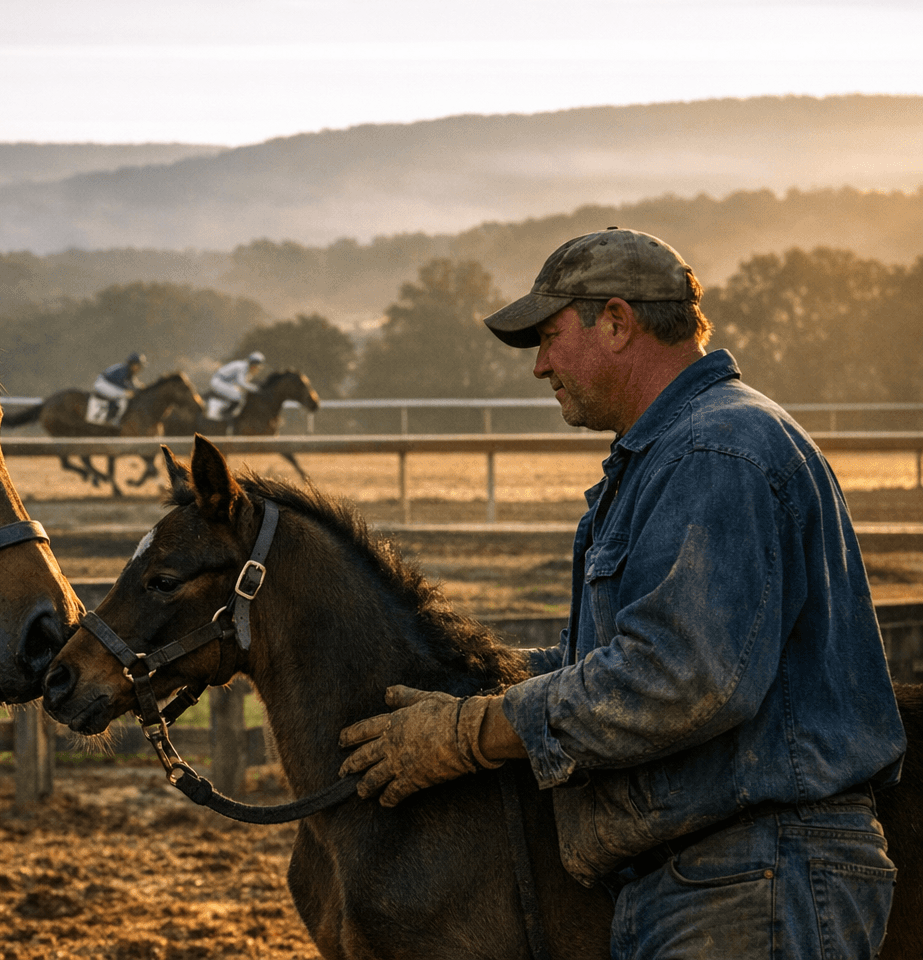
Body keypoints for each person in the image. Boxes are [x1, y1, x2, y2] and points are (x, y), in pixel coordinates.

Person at [338, 227, 905, 958]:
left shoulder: (713, 453)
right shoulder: (684, 451)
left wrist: (474, 733)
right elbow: (619, 658)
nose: (541, 366)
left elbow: (680, 677)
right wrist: (479, 683)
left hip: (753, 877)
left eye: (548, 336)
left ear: (614, 321)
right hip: (717, 880)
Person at [89, 352, 145, 424]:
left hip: (107, 383)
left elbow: (133, 383)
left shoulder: (128, 371)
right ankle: (114, 422)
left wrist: (139, 387)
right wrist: (136, 389)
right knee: (124, 399)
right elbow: (124, 386)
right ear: (132, 364)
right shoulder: (123, 371)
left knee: (125, 394)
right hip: (102, 384)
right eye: (138, 365)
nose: (139, 368)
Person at [207, 350, 265, 420]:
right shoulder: (242, 367)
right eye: (257, 367)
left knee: (239, 395)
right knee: (238, 396)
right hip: (218, 382)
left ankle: (223, 411)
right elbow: (241, 383)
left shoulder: (246, 368)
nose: (257, 370)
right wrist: (256, 389)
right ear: (253, 364)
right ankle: (224, 416)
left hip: (225, 382)